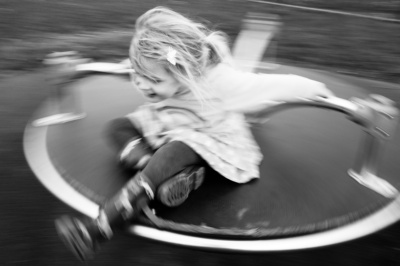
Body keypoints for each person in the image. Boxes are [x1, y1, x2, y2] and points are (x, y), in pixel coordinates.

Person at [55, 6, 334, 260]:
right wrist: (80, 68)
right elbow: (120, 70)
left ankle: (99, 228)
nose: (141, 84)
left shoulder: (221, 83)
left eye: (153, 80)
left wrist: (322, 93)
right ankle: (158, 170)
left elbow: (275, 86)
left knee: (176, 150)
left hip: (209, 137)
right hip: (167, 124)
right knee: (117, 128)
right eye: (139, 75)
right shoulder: (152, 62)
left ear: (184, 73)